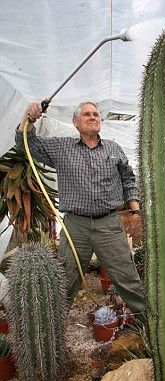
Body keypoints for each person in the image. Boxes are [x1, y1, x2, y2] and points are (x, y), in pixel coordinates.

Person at [16, 101, 145, 317]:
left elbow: (128, 179)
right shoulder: (62, 147)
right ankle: (52, 331)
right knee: (66, 279)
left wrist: (135, 211)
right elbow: (26, 144)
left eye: (96, 114)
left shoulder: (113, 148)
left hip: (109, 225)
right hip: (76, 226)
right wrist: (29, 119)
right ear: (75, 122)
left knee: (128, 278)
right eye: (86, 114)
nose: (93, 117)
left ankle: (147, 323)